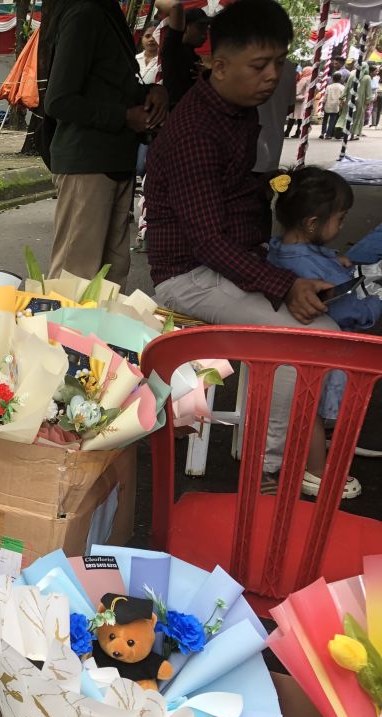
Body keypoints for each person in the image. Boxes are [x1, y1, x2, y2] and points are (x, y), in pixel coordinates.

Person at [145, 0, 356, 497]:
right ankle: (265, 468)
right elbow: (208, 242)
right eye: (259, 66)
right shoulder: (196, 131)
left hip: (233, 263)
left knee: (324, 331)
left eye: (279, 63)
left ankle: (284, 456)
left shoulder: (237, 113)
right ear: (219, 66)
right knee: (299, 343)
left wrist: (274, 189)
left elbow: (232, 194)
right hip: (188, 276)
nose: (272, 77)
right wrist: (285, 282)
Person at [266, 167, 379, 495]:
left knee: (305, 404)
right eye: (340, 219)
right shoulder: (314, 271)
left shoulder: (281, 248)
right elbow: (349, 311)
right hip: (314, 353)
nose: (342, 225)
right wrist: (376, 304)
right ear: (313, 223)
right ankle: (315, 472)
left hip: (283, 345)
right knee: (309, 407)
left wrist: (334, 257)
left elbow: (307, 255)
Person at [42, 0, 169, 285]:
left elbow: (110, 86)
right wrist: (124, 116)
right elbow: (59, 101)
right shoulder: (84, 13)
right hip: (88, 164)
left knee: (111, 279)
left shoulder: (106, 13)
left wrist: (151, 92)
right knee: (74, 281)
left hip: (115, 160)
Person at [157, 1, 211, 108]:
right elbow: (175, 6)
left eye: (206, 29)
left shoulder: (195, 56)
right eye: (200, 28)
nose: (205, 34)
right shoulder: (173, 48)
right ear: (185, 27)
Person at [284, 64, 311, 137]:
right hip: (305, 99)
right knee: (300, 117)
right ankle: (298, 132)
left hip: (298, 100)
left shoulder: (304, 79)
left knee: (292, 116)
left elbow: (297, 90)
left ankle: (287, 132)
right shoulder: (311, 79)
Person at [320, 72, 345, 139]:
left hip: (328, 105)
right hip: (336, 106)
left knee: (325, 120)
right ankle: (328, 134)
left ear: (332, 79)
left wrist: (323, 104)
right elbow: (343, 97)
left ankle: (322, 133)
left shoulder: (329, 87)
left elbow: (325, 96)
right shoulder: (342, 87)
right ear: (340, 79)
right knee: (332, 121)